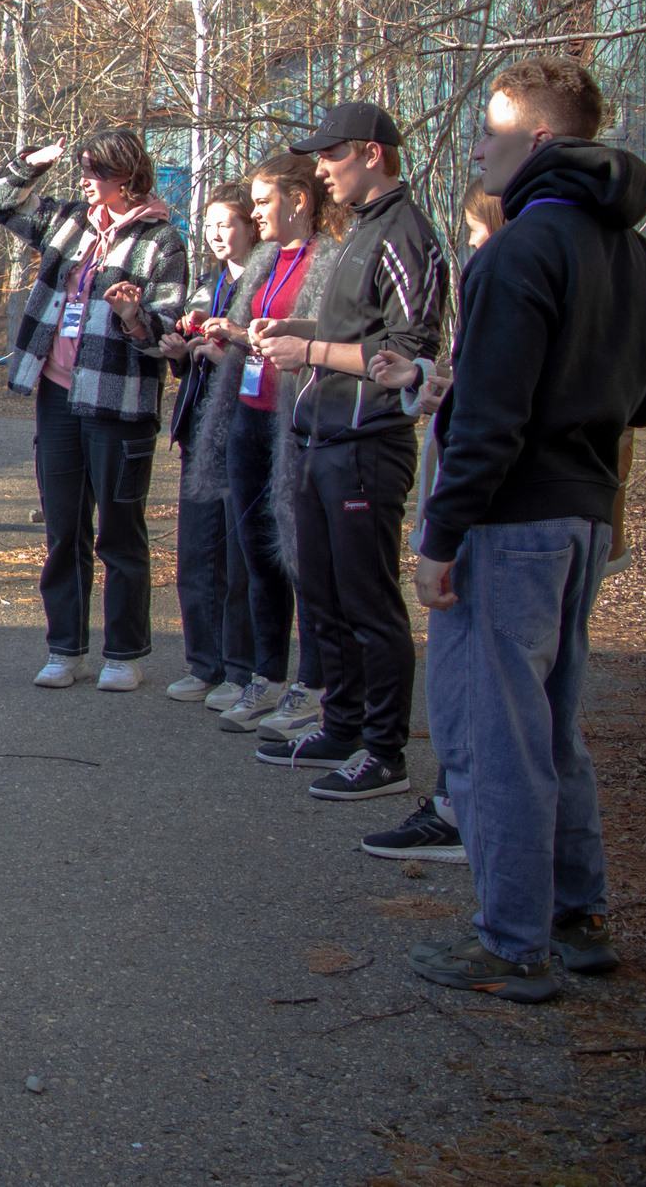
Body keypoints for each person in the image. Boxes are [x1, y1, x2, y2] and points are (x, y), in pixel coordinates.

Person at [407, 55, 646, 1003]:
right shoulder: (633, 253)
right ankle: (574, 913)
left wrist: (440, 537)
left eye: (492, 126)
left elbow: (491, 422)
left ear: (542, 139)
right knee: (551, 723)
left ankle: (512, 939)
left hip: (512, 519)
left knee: (496, 730)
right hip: (586, 514)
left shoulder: (517, 252)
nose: (477, 143)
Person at [251, 101, 449, 801]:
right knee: (324, 593)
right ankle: (341, 724)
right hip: (319, 436)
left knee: (370, 601)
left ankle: (386, 752)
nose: (322, 171)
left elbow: (407, 353)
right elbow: (349, 327)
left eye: (330, 157)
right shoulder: (360, 229)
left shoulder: (406, 234)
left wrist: (307, 349)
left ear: (370, 153)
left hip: (368, 442)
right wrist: (293, 324)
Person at [0, 129, 190, 691]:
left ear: (126, 176)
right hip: (57, 396)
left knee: (119, 531)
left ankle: (123, 652)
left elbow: (168, 332)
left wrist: (132, 316)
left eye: (94, 172)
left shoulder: (162, 240)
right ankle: (64, 647)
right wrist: (31, 164)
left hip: (117, 404)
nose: (84, 180)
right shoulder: (69, 220)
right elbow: (0, 201)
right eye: (81, 170)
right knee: (63, 528)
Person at [357, 177, 502, 866]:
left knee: (473, 676)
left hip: (492, 518)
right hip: (547, 512)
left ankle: (459, 812)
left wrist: (438, 539)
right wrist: (427, 384)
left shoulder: (507, 277)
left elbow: (495, 421)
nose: (470, 241)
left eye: (476, 228)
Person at [182, 156, 340, 737]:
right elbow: (257, 333)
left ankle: (315, 684)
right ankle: (267, 675)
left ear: (299, 200)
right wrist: (231, 333)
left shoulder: (330, 257)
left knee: (300, 556)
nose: (253, 214)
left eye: (263, 203)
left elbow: (333, 335)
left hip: (294, 423)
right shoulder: (266, 260)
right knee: (256, 556)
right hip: (248, 416)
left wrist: (273, 336)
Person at [158, 185, 256, 706]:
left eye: (229, 223)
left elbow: (270, 362)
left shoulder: (265, 282)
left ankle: (243, 670)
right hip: (200, 429)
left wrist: (227, 354)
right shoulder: (211, 282)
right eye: (212, 224)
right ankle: (204, 664)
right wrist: (181, 351)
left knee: (239, 556)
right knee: (197, 552)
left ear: (251, 226)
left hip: (244, 430)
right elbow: (193, 356)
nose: (218, 234)